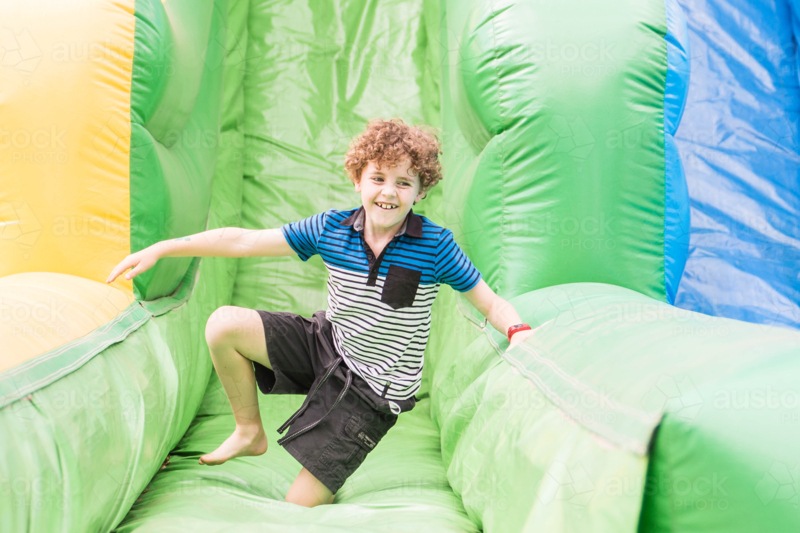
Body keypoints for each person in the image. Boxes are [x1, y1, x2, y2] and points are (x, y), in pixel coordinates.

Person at [106, 118, 535, 508]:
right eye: (378, 178)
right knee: (223, 325)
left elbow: (490, 301)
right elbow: (244, 241)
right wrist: (165, 248)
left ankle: (323, 483)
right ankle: (248, 431)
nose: (388, 192)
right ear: (358, 179)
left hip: (373, 389)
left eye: (404, 183)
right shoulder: (331, 228)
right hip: (328, 344)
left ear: (421, 191)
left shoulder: (435, 246)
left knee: (299, 506)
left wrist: (518, 330)